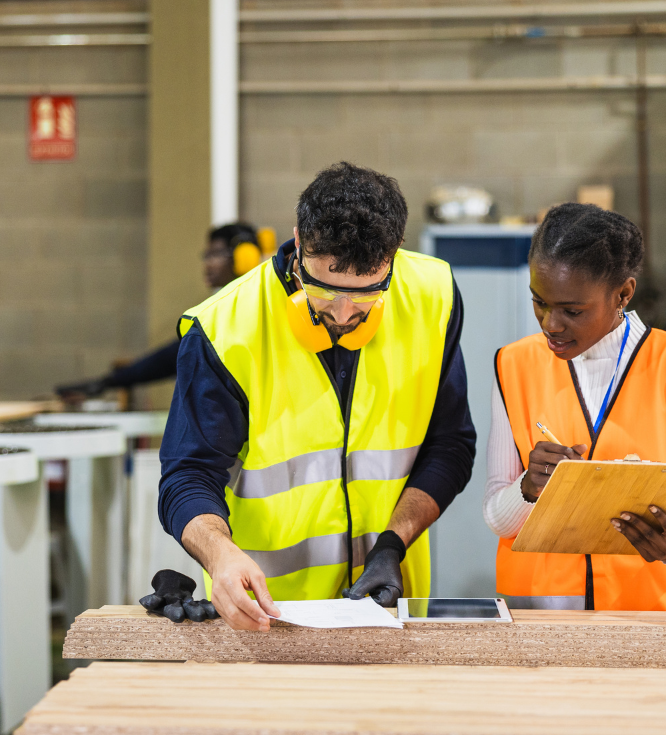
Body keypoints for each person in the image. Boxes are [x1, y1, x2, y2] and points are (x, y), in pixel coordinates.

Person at [159, 162, 476, 631]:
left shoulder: (433, 297)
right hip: (267, 616)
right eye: (325, 290)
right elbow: (187, 474)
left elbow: (450, 445)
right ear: (299, 243)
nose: (345, 314)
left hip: (385, 612)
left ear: (393, 255)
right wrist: (220, 555)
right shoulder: (225, 329)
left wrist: (392, 544)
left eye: (367, 293)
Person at [484, 202, 666, 612]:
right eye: (539, 302)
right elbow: (497, 515)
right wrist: (529, 488)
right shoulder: (513, 365)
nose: (550, 323)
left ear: (623, 294)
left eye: (572, 311)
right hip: (546, 617)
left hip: (658, 613)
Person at [55, 223, 263, 399]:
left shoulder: (247, 308)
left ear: (246, 257)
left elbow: (179, 352)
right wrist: (114, 380)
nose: (207, 264)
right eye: (206, 255)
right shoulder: (231, 306)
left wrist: (114, 380)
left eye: (215, 254)